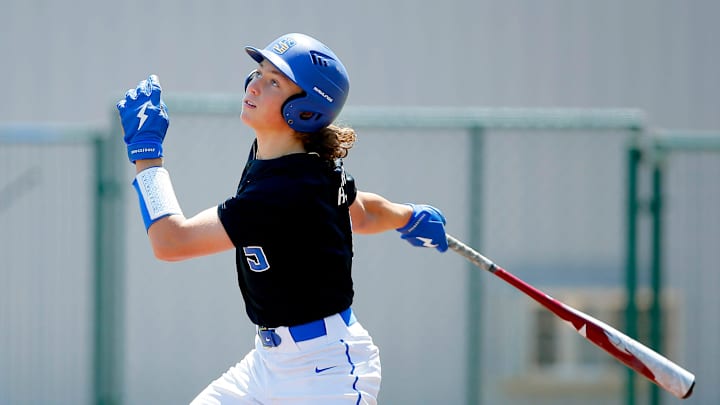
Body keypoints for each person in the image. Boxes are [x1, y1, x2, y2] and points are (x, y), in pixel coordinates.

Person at [117, 32, 448, 405]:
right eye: (258, 72)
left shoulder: (287, 189)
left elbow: (172, 242)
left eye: (274, 81)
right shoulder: (303, 164)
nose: (254, 85)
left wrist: (146, 154)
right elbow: (362, 212)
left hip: (327, 374)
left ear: (306, 110)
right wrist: (408, 216)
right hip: (267, 364)